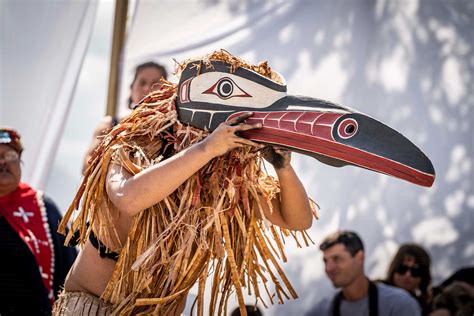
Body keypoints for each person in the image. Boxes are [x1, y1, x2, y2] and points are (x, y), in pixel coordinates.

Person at [54, 52, 315, 315]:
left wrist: (283, 168)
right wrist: (206, 149)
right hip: (94, 306)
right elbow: (128, 198)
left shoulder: (227, 176)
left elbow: (297, 220)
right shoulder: (134, 144)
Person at [0, 127, 77, 315]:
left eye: (10, 155)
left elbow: (71, 270)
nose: (2, 162)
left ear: (20, 161)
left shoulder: (43, 207)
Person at [306, 230, 421, 316]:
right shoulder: (321, 311)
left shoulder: (399, 305)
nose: (329, 268)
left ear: (360, 258)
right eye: (326, 261)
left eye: (337, 259)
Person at [82, 61, 168, 173]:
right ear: (132, 88)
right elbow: (86, 166)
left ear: (167, 89)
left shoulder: (178, 129)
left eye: (155, 83)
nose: (147, 88)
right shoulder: (110, 124)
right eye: (142, 83)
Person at [384, 243, 432, 315]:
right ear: (393, 269)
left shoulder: (425, 308)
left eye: (415, 271)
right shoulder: (374, 292)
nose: (408, 275)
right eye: (402, 268)